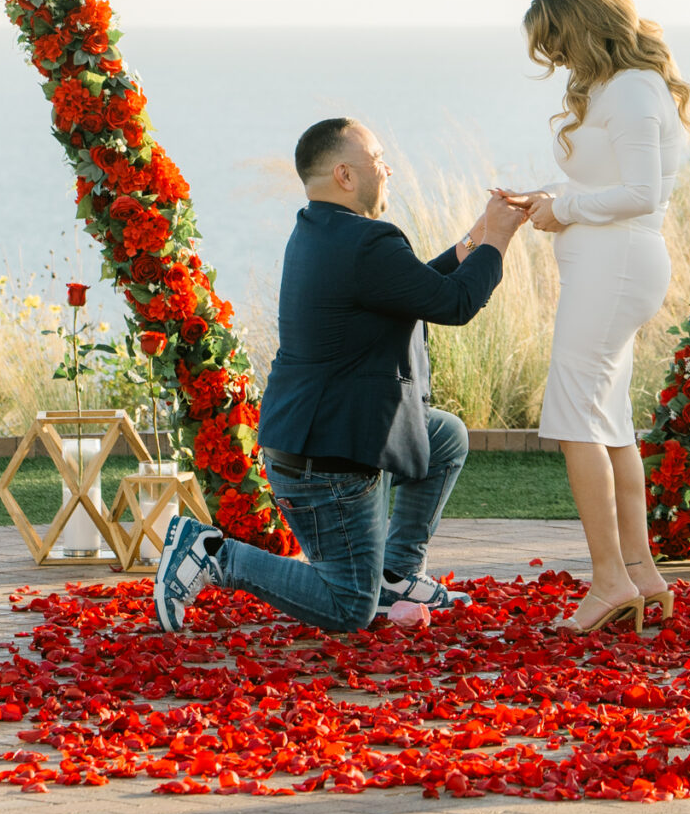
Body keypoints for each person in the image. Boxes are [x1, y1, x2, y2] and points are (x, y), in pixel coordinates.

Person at [154, 115, 529, 633]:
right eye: (378, 161)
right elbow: (456, 302)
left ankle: (394, 574)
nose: (389, 169)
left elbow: (416, 286)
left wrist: (480, 234)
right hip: (326, 460)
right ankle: (214, 553)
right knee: (348, 605)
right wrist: (500, 241)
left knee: (445, 437)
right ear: (346, 175)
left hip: (322, 435)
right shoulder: (365, 243)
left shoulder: (323, 229)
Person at [508, 0, 690, 633]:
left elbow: (642, 193)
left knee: (574, 418)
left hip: (616, 267)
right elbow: (612, 181)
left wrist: (566, 208)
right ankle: (640, 573)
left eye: (558, 42)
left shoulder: (635, 90)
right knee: (605, 419)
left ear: (584, 25)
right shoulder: (620, 88)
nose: (557, 60)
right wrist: (549, 199)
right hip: (605, 266)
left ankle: (609, 579)